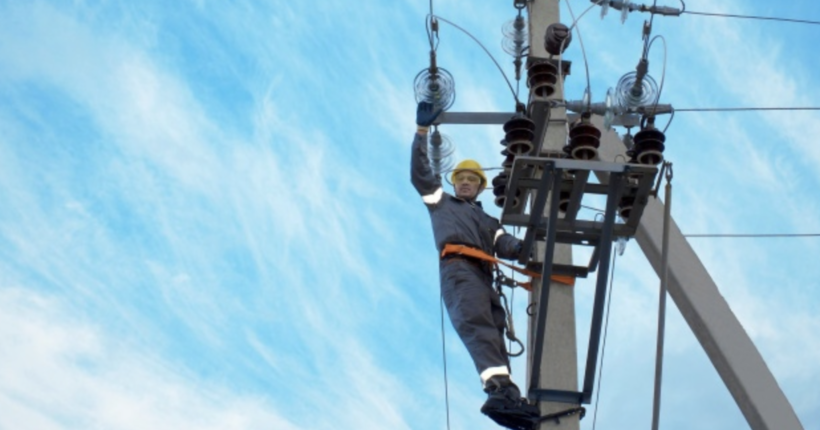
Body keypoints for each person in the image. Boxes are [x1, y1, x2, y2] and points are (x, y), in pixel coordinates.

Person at [411, 101, 540, 430]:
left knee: (495, 331)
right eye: (461, 178)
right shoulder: (441, 203)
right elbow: (421, 175)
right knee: (478, 326)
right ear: (454, 183)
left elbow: (506, 245)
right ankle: (497, 391)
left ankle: (507, 393)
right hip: (459, 270)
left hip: (484, 276)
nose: (466, 183)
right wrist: (421, 132)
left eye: (472, 179)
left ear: (481, 186)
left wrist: (531, 245)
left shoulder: (487, 219)